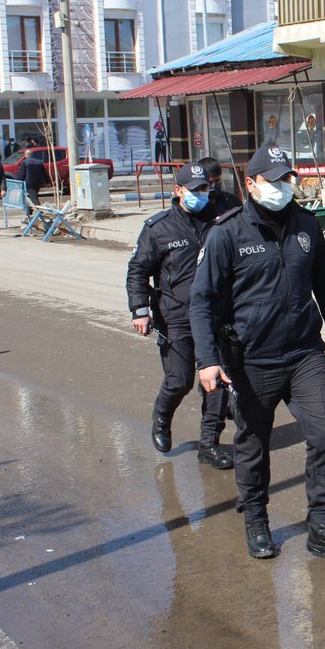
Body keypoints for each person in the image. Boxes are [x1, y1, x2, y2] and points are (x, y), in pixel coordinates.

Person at [190, 146, 325, 564]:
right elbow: (202, 300)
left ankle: (323, 525)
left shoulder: (306, 225)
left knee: (324, 434)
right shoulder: (227, 232)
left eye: (289, 179)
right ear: (251, 184)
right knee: (253, 444)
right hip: (252, 359)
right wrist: (208, 360)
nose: (285, 187)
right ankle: (256, 519)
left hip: (305, 352)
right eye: (275, 180)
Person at [126, 162, 236, 471]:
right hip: (177, 317)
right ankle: (162, 416)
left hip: (216, 316)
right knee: (179, 381)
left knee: (217, 381)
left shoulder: (219, 221)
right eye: (195, 190)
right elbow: (138, 271)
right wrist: (140, 310)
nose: (202, 195)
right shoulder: (158, 228)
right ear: (178, 191)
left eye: (206, 189)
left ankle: (209, 444)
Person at [19, 148, 48, 217]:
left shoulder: (24, 162)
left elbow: (21, 174)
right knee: (30, 198)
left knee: (34, 198)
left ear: (26, 155)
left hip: (29, 183)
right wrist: (47, 181)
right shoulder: (39, 162)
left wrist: (18, 181)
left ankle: (40, 213)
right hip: (38, 183)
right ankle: (28, 214)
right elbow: (44, 173)